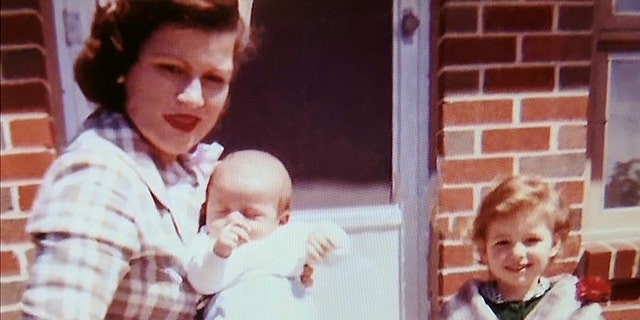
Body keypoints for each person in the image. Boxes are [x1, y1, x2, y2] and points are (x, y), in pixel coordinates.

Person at [21, 0, 257, 318]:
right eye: (170, 69)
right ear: (123, 68)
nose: (194, 98)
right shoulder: (101, 176)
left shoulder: (174, 163)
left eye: (214, 78)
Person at [186, 150, 351, 320]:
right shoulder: (207, 242)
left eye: (250, 214)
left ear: (282, 220)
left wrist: (325, 240)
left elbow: (339, 251)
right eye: (222, 211)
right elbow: (202, 283)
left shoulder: (288, 236)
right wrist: (219, 253)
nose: (234, 220)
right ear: (206, 208)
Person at [440, 176, 605, 320]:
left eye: (531, 240)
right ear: (484, 249)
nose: (517, 253)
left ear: (554, 244)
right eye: (503, 242)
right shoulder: (462, 311)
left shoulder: (571, 308)